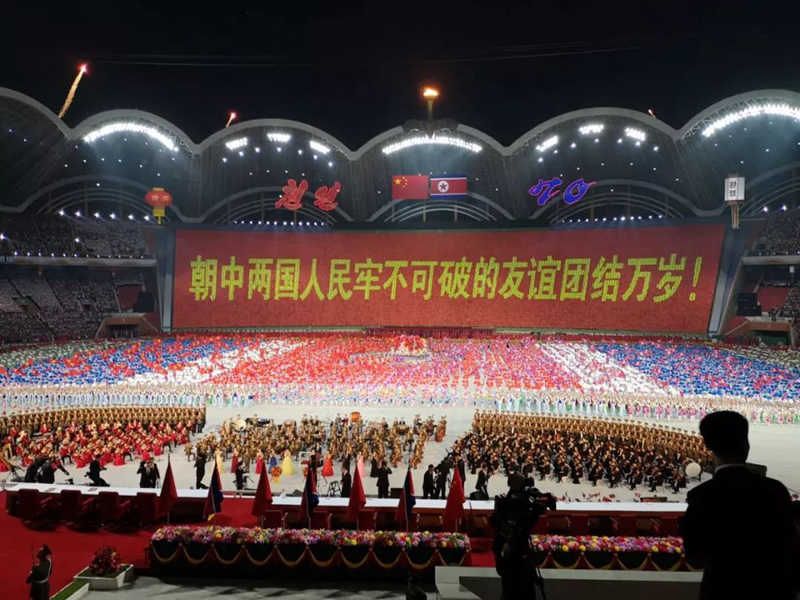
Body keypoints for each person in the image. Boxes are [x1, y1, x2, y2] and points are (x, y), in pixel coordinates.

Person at [681, 411, 795, 600]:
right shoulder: (775, 490)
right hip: (771, 590)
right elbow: (789, 545)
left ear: (708, 446)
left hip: (722, 590)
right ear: (746, 445)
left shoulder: (702, 496)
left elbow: (695, 557)